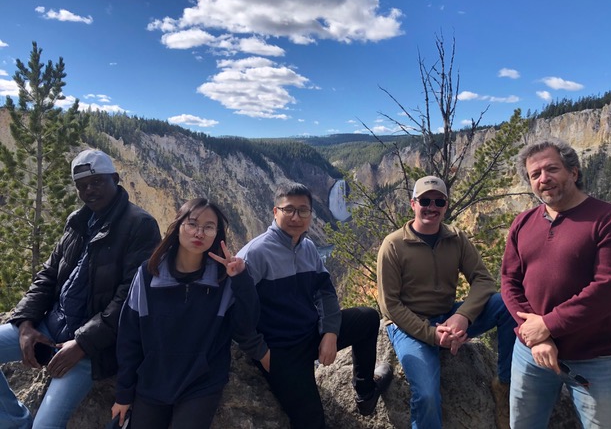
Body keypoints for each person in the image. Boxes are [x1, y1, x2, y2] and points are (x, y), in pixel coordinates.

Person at [0, 149, 161, 428]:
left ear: (115, 178)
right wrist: (25, 323)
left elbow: (129, 298)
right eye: (82, 186)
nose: (89, 190)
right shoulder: (77, 220)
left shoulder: (140, 225)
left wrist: (82, 344)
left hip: (91, 349)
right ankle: (15, 422)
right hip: (50, 327)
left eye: (97, 182)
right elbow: (49, 274)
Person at [501, 138, 611, 428]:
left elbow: (608, 290)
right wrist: (536, 336)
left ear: (573, 172)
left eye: (552, 169)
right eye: (535, 174)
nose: (543, 178)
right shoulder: (523, 223)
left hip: (596, 358)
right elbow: (509, 281)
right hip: (531, 353)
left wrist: (547, 326)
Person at [236, 182, 392, 429]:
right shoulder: (254, 254)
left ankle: (365, 392)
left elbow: (326, 292)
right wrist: (262, 354)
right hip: (281, 350)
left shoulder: (307, 248)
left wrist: (330, 332)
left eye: (303, 210)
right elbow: (235, 311)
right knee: (312, 422)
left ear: (310, 214)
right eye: (288, 210)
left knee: (367, 318)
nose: (296, 217)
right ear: (275, 212)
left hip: (310, 334)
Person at [377, 175, 516, 429]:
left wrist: (463, 316)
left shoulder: (456, 238)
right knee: (427, 395)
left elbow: (483, 280)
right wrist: (432, 335)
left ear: (446, 205)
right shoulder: (393, 245)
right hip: (410, 327)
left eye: (438, 201)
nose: (432, 206)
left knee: (507, 304)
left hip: (448, 316)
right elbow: (390, 306)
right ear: (413, 204)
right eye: (425, 200)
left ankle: (505, 384)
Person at [110, 198, 262, 428]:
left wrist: (241, 279)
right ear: (178, 226)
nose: (199, 232)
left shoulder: (223, 278)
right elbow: (129, 336)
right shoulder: (150, 274)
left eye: (209, 227)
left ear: (217, 234)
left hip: (201, 384)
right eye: (192, 224)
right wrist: (123, 393)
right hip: (153, 381)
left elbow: (246, 326)